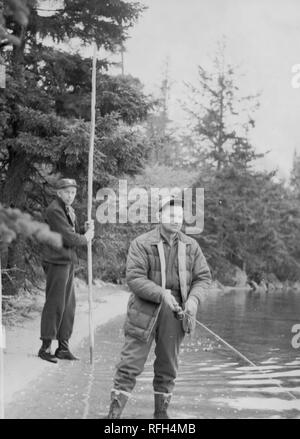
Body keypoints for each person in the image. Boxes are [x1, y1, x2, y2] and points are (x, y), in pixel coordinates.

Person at [106, 195, 211, 419]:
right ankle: (113, 416)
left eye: (180, 216)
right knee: (129, 364)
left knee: (168, 367)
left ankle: (161, 415)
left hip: (176, 314)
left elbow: (203, 278)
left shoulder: (192, 246)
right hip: (144, 311)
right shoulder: (141, 243)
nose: (176, 220)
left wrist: (192, 300)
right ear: (159, 216)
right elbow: (134, 279)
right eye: (171, 215)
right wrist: (161, 294)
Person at [38, 178, 94, 363]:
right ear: (59, 192)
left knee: (69, 305)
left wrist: (83, 230)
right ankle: (45, 347)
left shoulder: (68, 210)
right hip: (56, 261)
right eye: (67, 192)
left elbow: (72, 231)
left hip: (67, 261)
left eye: (73, 192)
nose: (70, 195)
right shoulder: (54, 210)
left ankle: (63, 347)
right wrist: (85, 238)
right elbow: (70, 238)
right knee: (55, 303)